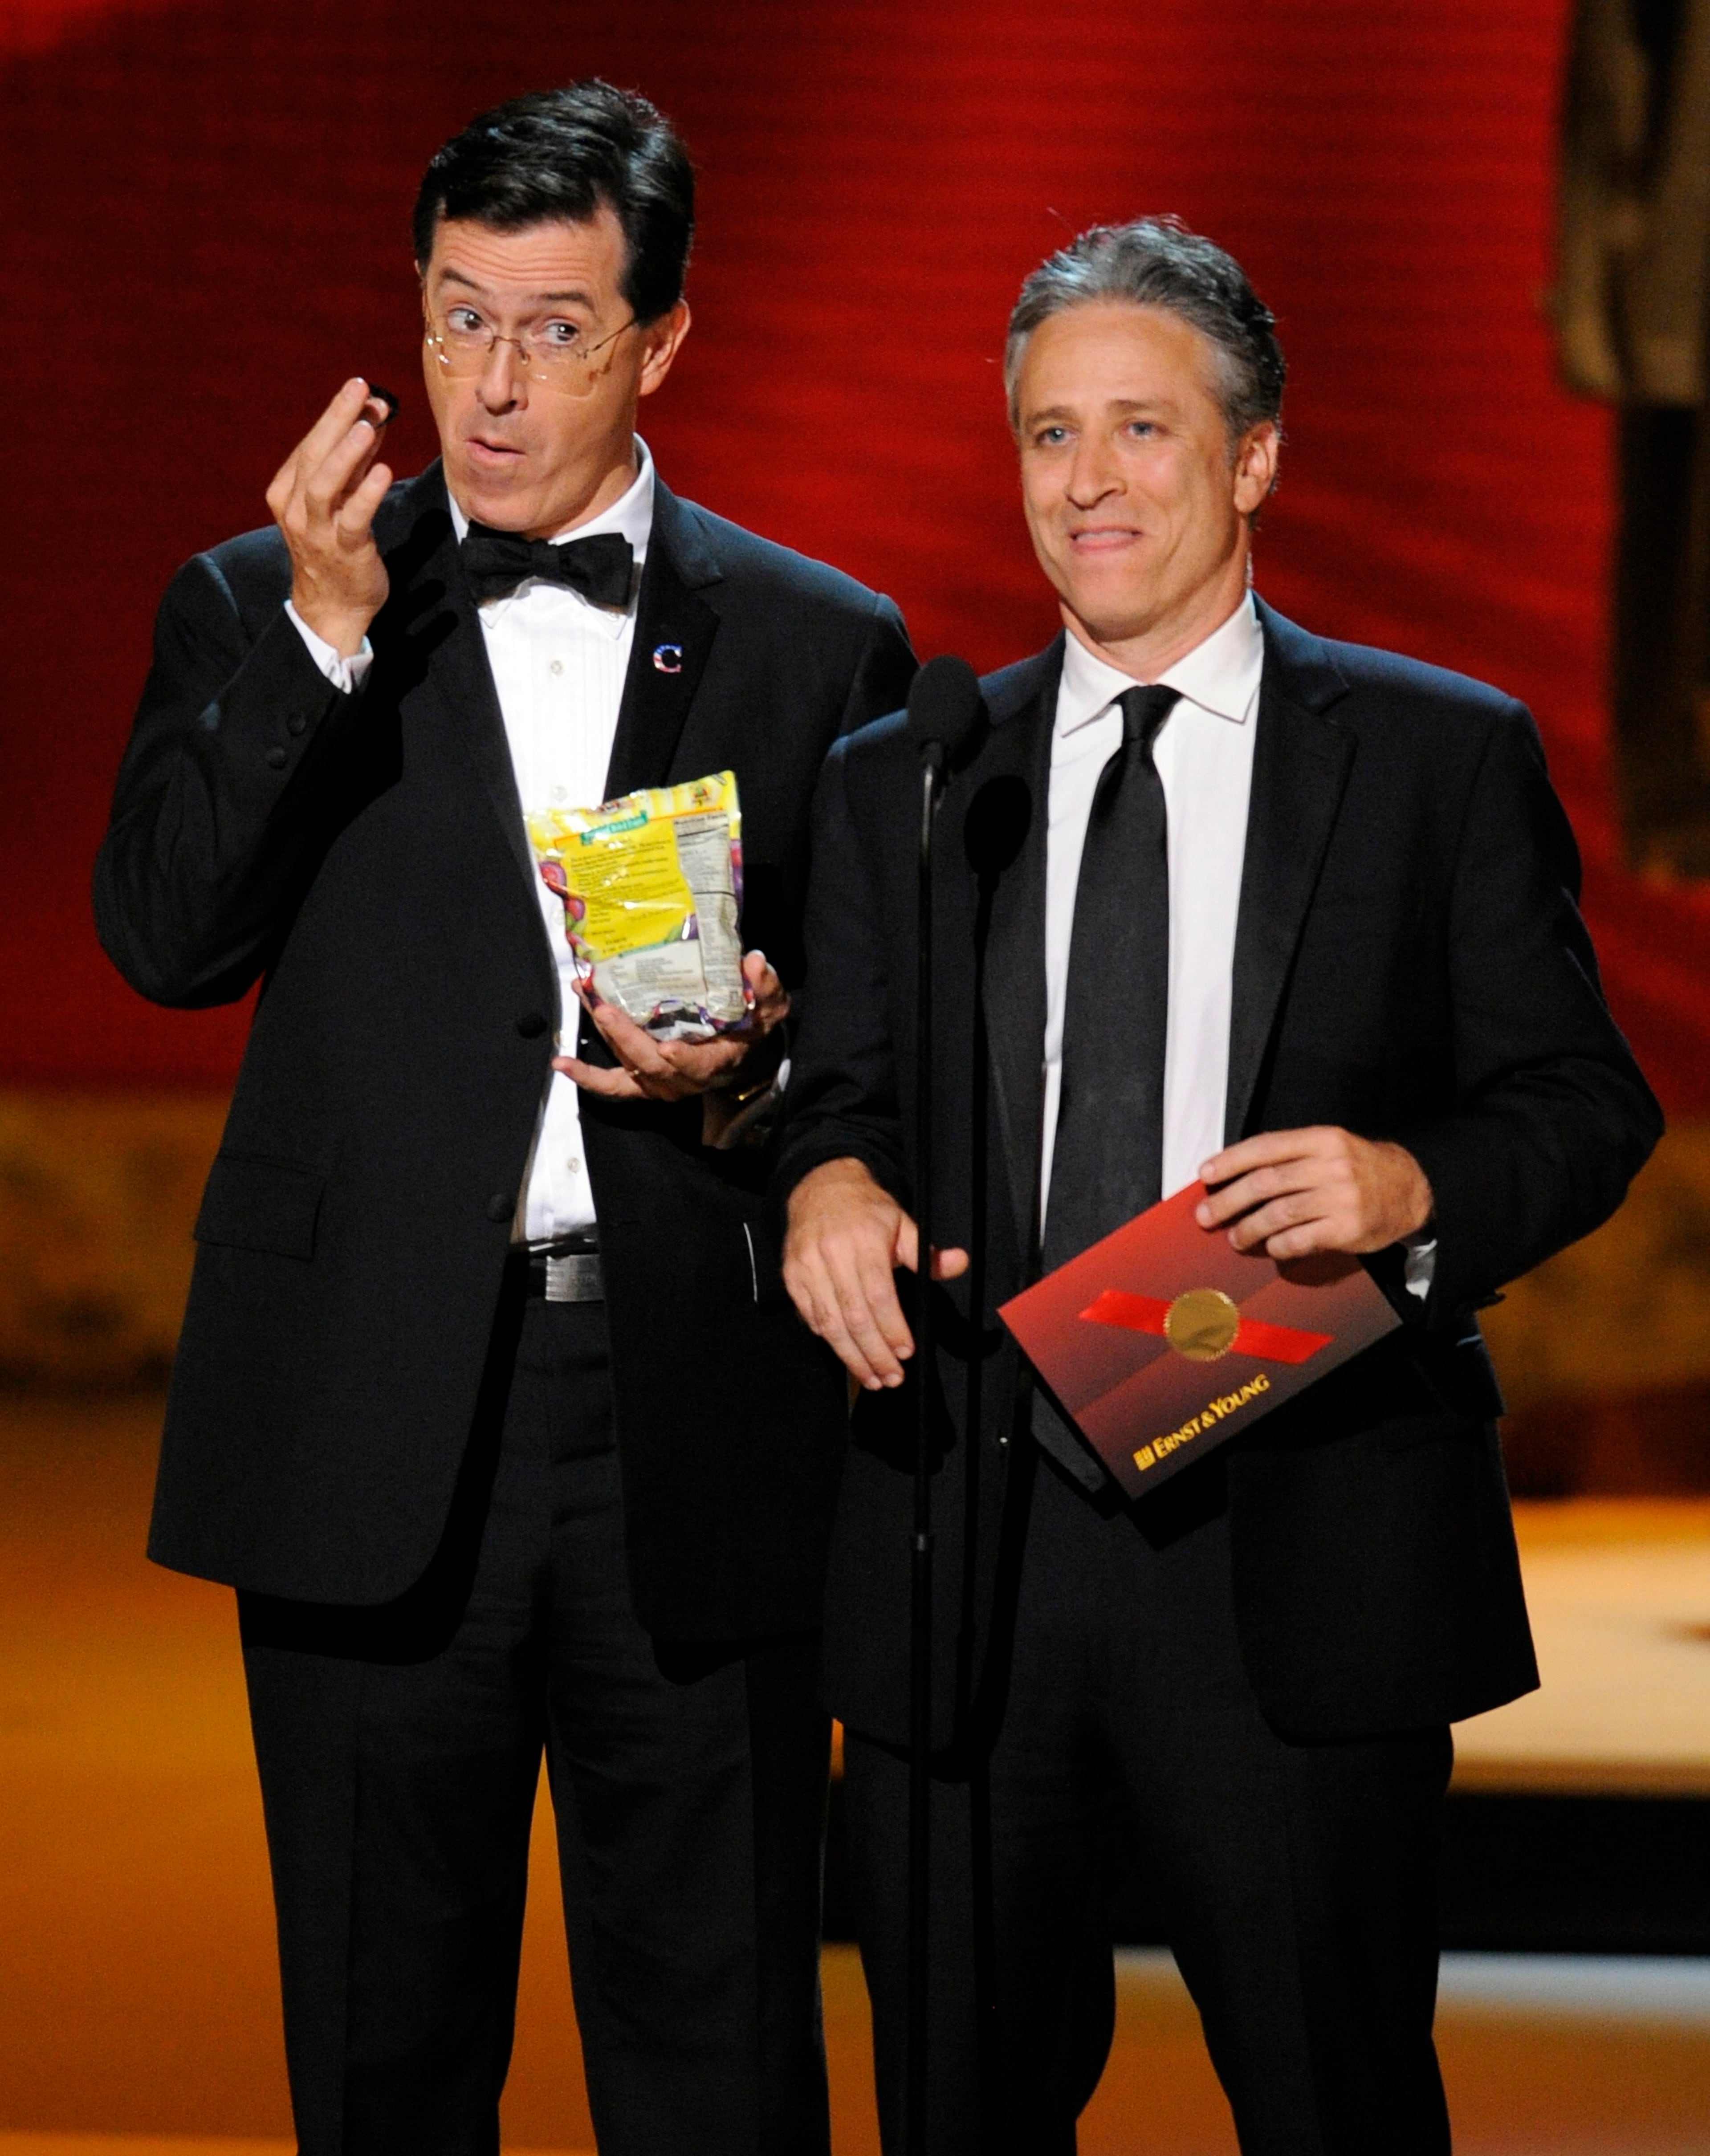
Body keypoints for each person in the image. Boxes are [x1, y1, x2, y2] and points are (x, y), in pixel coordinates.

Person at [776, 217, 1661, 2153]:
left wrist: (1411, 1176)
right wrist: (824, 1182)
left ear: (1255, 457)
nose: (1085, 482)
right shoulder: (908, 779)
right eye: (1046, 434)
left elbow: (1587, 1100)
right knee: (955, 2109)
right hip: (969, 1546)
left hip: (1294, 1533)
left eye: (1141, 431)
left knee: (1335, 2100)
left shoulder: (1438, 758)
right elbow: (833, 1099)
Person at [94, 81, 913, 2156]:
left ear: (664, 340)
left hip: (691, 1419)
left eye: (556, 328)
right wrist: (324, 632)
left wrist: (766, 1078)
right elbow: (168, 940)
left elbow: (889, 1056)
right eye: (458, 317)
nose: (493, 378)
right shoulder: (267, 600)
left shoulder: (819, 647)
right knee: (385, 2053)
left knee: (718, 2053)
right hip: (375, 1418)